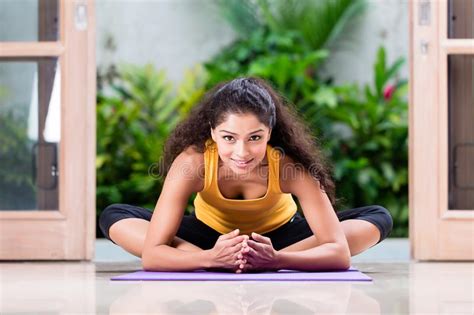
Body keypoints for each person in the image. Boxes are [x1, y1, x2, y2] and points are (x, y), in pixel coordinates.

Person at [99, 77, 393, 273]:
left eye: (254, 138)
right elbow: (152, 254)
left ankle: (247, 259)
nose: (241, 152)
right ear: (213, 132)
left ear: (270, 133)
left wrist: (277, 259)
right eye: (228, 138)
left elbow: (339, 253)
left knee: (377, 217)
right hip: (210, 239)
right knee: (115, 215)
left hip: (280, 240)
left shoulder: (290, 167)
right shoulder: (193, 162)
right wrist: (210, 257)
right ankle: (220, 259)